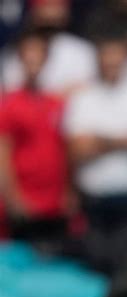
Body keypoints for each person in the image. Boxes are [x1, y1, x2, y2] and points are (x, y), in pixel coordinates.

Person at [64, 33, 127, 275]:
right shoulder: (83, 97)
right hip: (95, 200)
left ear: (126, 60)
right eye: (106, 60)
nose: (111, 65)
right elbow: (78, 149)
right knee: (96, 263)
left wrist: (101, 140)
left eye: (116, 60)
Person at [0, 28, 71, 252]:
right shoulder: (10, 104)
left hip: (54, 200)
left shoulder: (56, 103)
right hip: (24, 199)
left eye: (38, 59)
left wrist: (68, 191)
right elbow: (3, 152)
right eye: (28, 59)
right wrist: (12, 196)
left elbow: (64, 151)